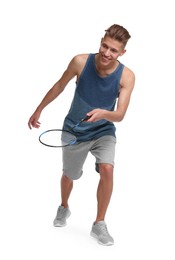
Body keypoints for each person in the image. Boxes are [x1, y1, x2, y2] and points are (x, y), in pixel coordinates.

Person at [28, 24, 135, 246]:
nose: (107, 53)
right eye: (105, 46)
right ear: (101, 42)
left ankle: (99, 224)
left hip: (103, 130)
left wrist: (104, 114)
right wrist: (39, 109)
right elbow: (59, 85)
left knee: (107, 168)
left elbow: (120, 114)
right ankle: (64, 207)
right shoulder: (80, 61)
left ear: (122, 53)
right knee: (70, 175)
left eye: (113, 50)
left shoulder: (127, 76)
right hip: (74, 131)